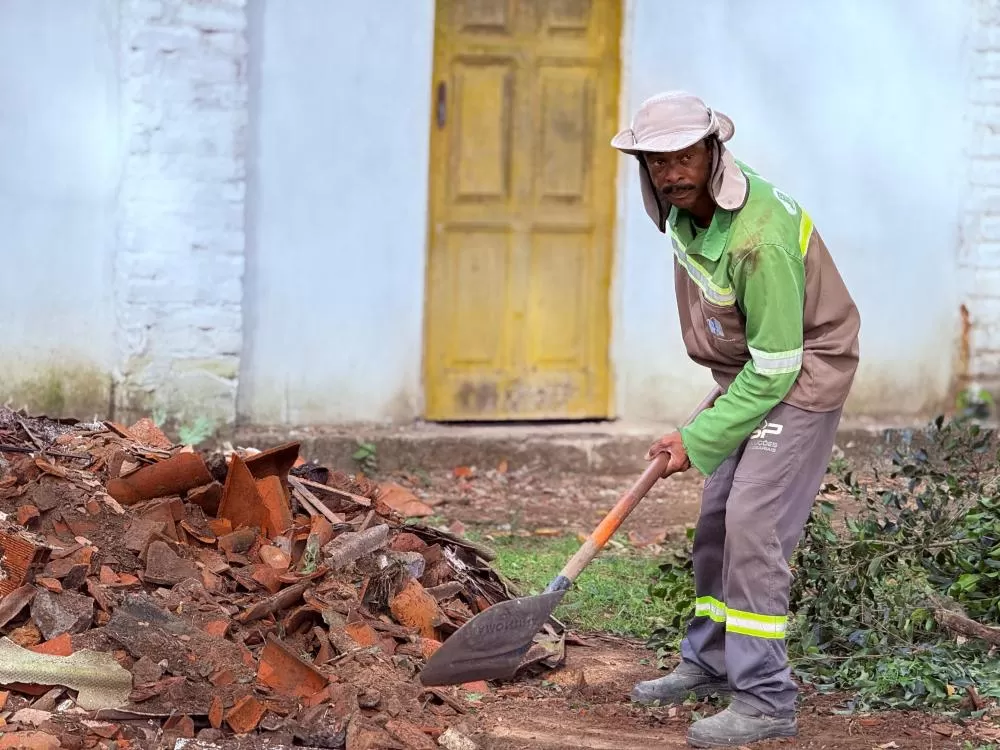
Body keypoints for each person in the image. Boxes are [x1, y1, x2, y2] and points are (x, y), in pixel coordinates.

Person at [610, 91, 861, 747]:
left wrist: (697, 438)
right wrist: (700, 436)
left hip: (803, 373)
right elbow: (752, 357)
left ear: (713, 152)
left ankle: (766, 698)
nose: (671, 171)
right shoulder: (686, 218)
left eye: (684, 155)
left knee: (754, 520)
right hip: (752, 370)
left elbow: (780, 367)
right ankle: (712, 661)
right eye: (657, 161)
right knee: (719, 513)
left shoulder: (758, 239)